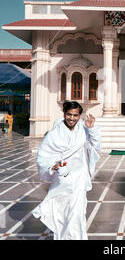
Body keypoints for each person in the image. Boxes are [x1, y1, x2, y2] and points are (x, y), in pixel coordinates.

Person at [32, 101, 101, 240]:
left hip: (79, 180)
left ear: (79, 116)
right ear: (64, 114)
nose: (72, 118)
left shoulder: (84, 130)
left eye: (75, 115)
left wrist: (92, 129)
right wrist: (53, 166)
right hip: (62, 182)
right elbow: (42, 156)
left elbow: (96, 146)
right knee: (62, 215)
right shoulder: (54, 134)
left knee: (77, 215)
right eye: (69, 114)